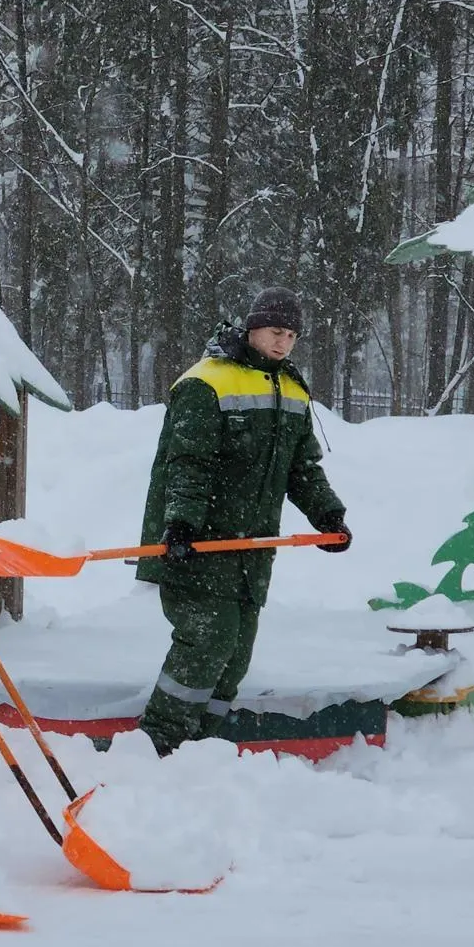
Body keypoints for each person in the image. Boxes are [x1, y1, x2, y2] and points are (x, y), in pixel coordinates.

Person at [135, 285, 351, 755]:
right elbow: (188, 462)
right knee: (207, 641)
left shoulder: (291, 389)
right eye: (276, 332)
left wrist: (327, 513)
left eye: (292, 335)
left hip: (252, 549)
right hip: (196, 543)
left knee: (235, 654)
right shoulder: (207, 382)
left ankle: (202, 748)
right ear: (252, 328)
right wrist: (181, 525)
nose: (283, 343)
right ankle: (156, 746)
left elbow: (302, 467)